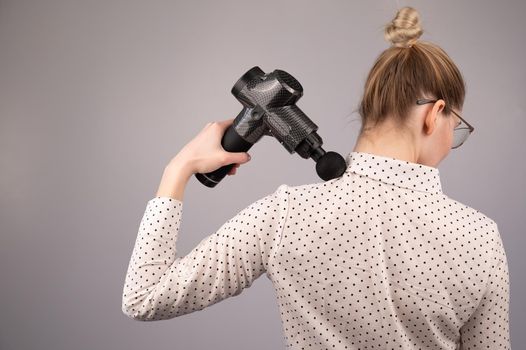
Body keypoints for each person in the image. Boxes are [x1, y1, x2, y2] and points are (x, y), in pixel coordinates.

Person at [121, 6, 510, 349]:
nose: (449, 142)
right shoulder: (480, 238)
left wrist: (179, 168)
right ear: (434, 114)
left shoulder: (284, 215)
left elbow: (144, 297)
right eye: (455, 127)